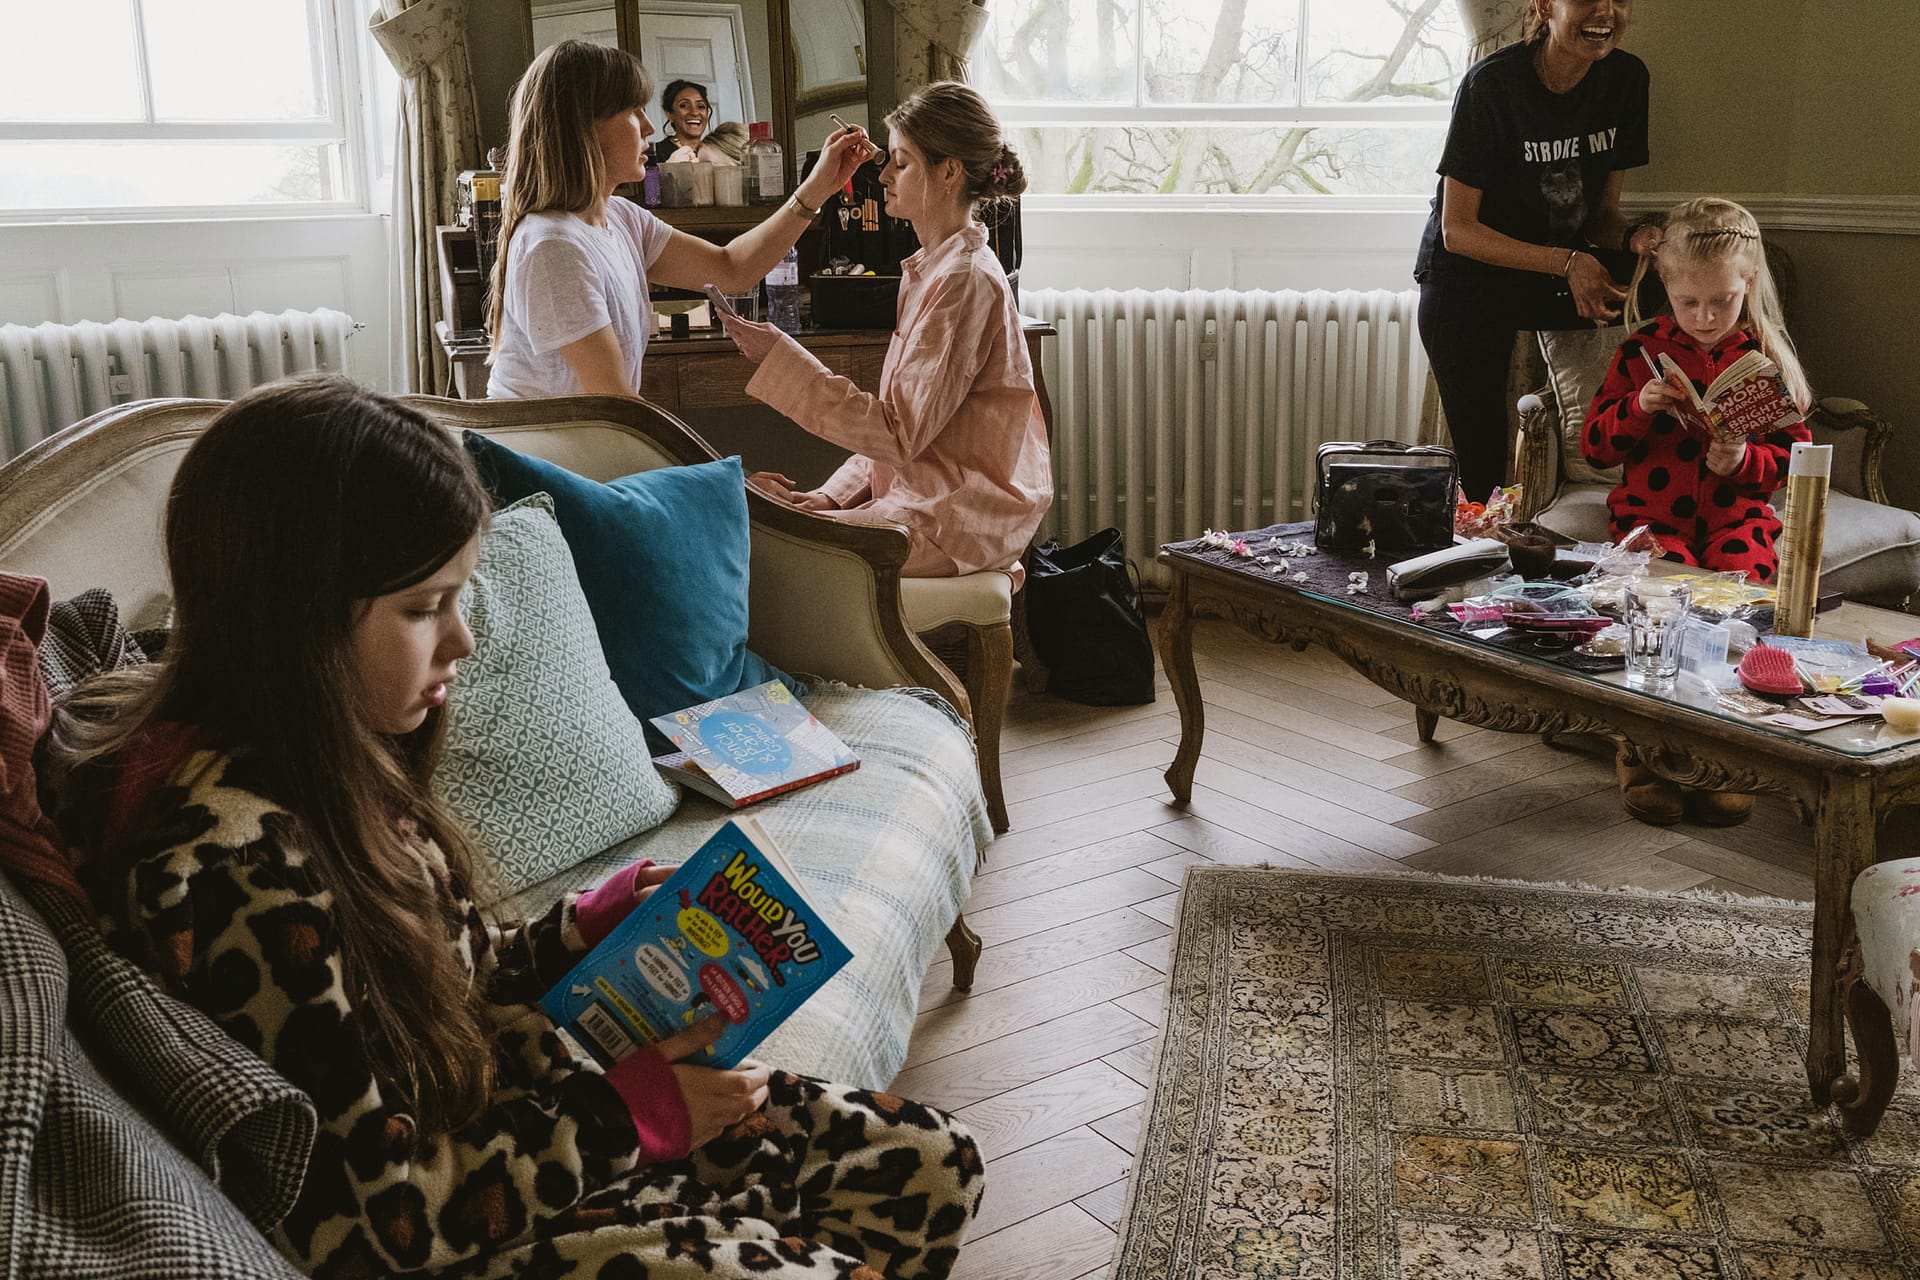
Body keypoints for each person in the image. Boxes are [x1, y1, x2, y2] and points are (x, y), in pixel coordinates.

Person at [43, 376, 985, 1279]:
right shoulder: (238, 870)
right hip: (476, 1221)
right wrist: (635, 1121)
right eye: (425, 608)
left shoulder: (335, 764)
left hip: (530, 1121)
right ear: (301, 615)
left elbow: (441, 972)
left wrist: (581, 925)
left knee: (933, 1163)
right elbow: (376, 1218)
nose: (461, 640)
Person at [717, 82, 1053, 584]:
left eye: (901, 161)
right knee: (755, 525)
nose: (884, 174)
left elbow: (896, 433)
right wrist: (831, 495)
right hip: (924, 502)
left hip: (953, 520)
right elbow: (906, 429)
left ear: (948, 172)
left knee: (758, 547)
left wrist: (779, 358)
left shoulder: (963, 282)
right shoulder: (933, 271)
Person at [1583, 198, 1813, 829]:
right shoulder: (1641, 351)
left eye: (1723, 301)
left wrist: (1741, 461)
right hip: (1654, 520)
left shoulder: (1762, 362)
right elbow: (1595, 446)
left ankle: (1727, 758)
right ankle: (1644, 756)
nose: (1706, 317)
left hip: (1738, 518)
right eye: (1689, 303)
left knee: (1739, 619)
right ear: (1667, 288)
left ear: (1750, 285)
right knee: (1663, 612)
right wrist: (1638, 406)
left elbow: (1796, 461)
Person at [487, 41, 873, 401]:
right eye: (633, 112)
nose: (651, 128)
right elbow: (616, 410)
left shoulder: (620, 218)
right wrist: (732, 476)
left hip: (592, 456)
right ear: (585, 127)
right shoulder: (553, 247)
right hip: (549, 466)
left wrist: (819, 187)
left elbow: (732, 269)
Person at [1414, 0, 1659, 504]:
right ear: (1545, 5)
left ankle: (1628, 460)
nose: (1605, 12)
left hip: (1548, 272)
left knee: (1659, 285)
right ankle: (1477, 558)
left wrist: (1636, 238)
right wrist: (1567, 263)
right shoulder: (1492, 86)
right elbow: (1457, 230)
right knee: (1484, 468)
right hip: (1466, 281)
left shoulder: (1627, 80)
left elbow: (1602, 217)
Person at [651, 79, 745, 166]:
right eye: (684, 105)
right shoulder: (653, 155)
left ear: (707, 113)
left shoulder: (717, 148)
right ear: (670, 114)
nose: (694, 112)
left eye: (700, 106)